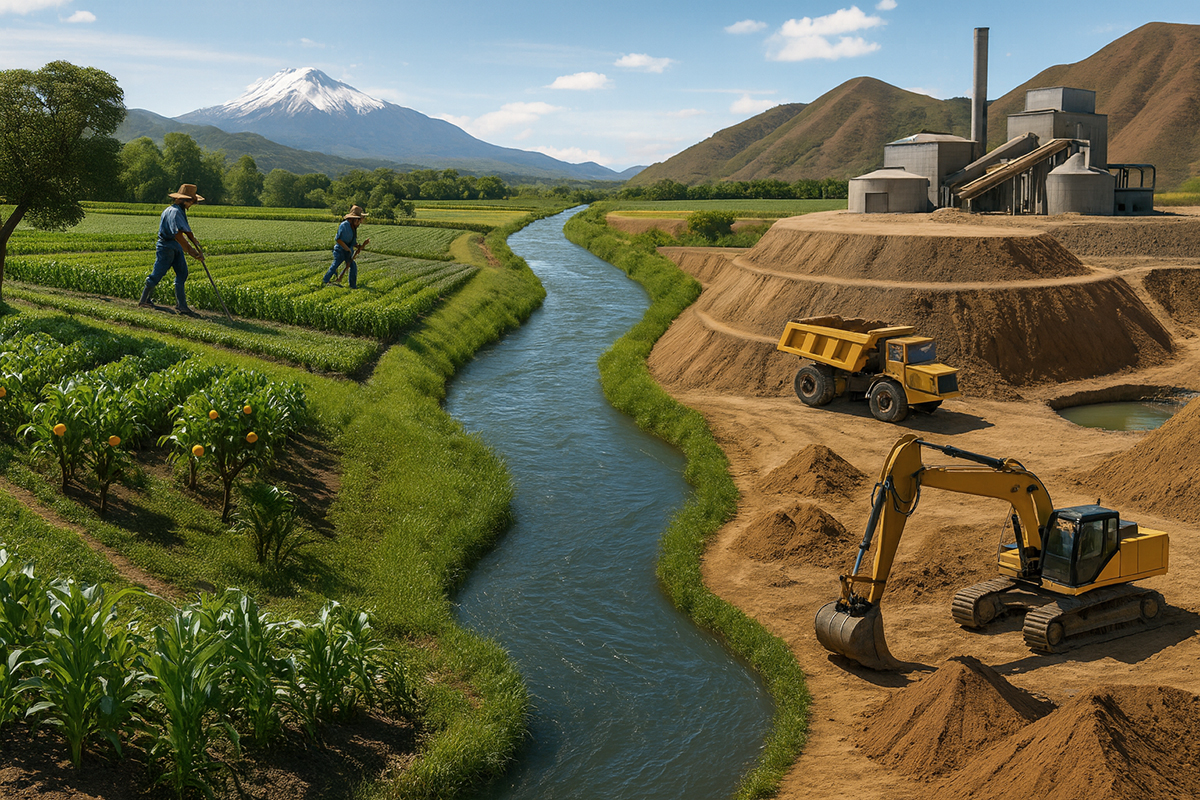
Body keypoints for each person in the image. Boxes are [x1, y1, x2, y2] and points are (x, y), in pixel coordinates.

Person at [139, 184, 205, 316]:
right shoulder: (174, 212)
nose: (192, 205)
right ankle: (144, 300)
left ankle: (182, 306)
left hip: (175, 246)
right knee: (157, 274)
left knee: (182, 273)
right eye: (192, 202)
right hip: (167, 246)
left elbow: (187, 231)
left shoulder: (179, 211)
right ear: (184, 200)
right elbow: (178, 235)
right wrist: (191, 251)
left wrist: (195, 243)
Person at [322, 205, 370, 289]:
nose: (360, 222)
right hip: (340, 250)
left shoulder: (353, 228)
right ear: (354, 219)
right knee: (335, 265)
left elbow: (352, 242)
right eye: (359, 220)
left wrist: (359, 246)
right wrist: (347, 248)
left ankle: (353, 286)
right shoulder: (344, 225)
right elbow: (338, 239)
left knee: (353, 266)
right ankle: (325, 281)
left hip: (348, 251)